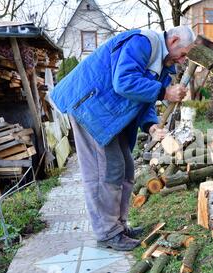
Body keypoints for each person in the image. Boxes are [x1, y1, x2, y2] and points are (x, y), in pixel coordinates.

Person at [50, 26, 196, 251]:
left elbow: (144, 101)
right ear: (174, 39)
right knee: (106, 170)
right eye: (184, 53)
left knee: (126, 168)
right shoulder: (143, 43)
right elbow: (124, 81)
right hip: (90, 108)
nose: (183, 59)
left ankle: (119, 226)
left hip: (110, 114)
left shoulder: (164, 66)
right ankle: (107, 233)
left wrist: (151, 125)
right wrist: (164, 93)